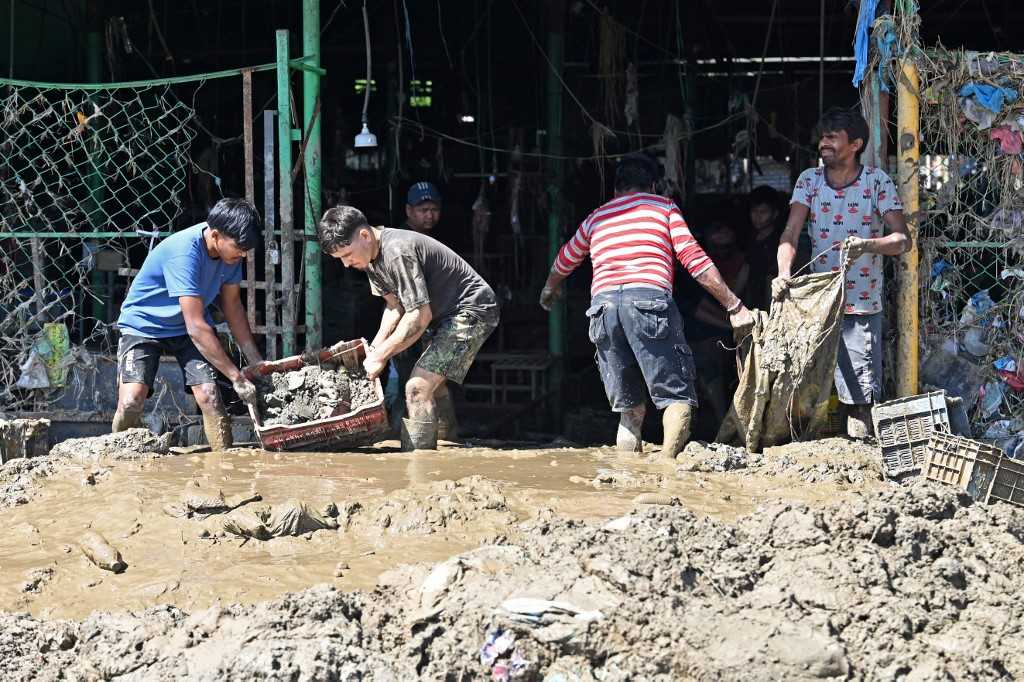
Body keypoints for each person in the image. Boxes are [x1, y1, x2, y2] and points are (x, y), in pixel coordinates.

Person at [539, 153, 754, 461]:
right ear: (654, 186)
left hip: (603, 308)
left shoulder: (597, 216)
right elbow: (693, 259)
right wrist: (733, 305)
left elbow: (565, 259)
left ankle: (628, 477)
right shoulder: (663, 207)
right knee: (676, 398)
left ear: (615, 190)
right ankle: (668, 472)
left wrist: (549, 290)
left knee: (629, 410)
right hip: (648, 302)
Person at [774, 107, 910, 438]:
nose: (824, 143)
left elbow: (902, 240)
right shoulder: (808, 180)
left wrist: (868, 245)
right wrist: (783, 272)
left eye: (833, 138)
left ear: (856, 144)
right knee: (804, 388)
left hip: (861, 303)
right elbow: (791, 234)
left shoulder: (877, 182)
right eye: (822, 137)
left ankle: (857, 457)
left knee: (859, 396)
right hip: (816, 303)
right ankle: (804, 458)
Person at [318, 205, 499, 450]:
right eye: (340, 260)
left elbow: (418, 316)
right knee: (434, 382)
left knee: (417, 388)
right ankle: (447, 442)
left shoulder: (396, 251)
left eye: (347, 255)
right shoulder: (371, 259)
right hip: (444, 314)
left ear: (364, 235)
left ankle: (420, 467)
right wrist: (374, 348)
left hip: (472, 309)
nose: (347, 265)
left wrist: (381, 356)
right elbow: (394, 307)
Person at [114, 198, 266, 450]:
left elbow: (233, 307)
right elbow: (196, 327)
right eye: (239, 248)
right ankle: (118, 456)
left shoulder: (231, 256)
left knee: (210, 396)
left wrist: (255, 360)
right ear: (215, 235)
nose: (243, 255)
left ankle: (223, 466)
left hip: (186, 328)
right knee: (131, 402)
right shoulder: (185, 253)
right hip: (144, 325)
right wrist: (236, 377)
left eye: (246, 250)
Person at [386, 181, 444, 430]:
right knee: (409, 385)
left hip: (427, 324)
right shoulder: (402, 242)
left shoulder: (428, 240)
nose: (429, 215)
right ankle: (401, 435)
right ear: (409, 211)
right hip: (409, 324)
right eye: (423, 209)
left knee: (428, 385)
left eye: (434, 209)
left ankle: (427, 434)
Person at [684, 222, 749, 438]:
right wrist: (734, 325)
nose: (721, 235)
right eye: (716, 230)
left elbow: (731, 296)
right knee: (706, 373)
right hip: (700, 332)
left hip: (722, 329)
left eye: (725, 229)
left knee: (713, 375)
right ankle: (720, 423)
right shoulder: (695, 268)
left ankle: (723, 423)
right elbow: (697, 308)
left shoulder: (741, 263)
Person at [744, 185, 783, 311]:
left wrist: (769, 314)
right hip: (752, 300)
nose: (757, 216)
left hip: (770, 303)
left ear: (775, 214)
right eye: (754, 211)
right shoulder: (752, 237)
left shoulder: (779, 243)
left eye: (763, 212)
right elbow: (746, 267)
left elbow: (771, 280)